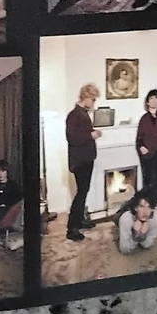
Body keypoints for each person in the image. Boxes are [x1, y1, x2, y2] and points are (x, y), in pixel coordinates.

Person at [66, 83, 101, 241]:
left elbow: (82, 133)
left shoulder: (83, 113)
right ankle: (71, 228)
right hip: (80, 161)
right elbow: (72, 138)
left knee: (83, 191)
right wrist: (91, 136)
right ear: (86, 97)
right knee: (80, 194)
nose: (94, 103)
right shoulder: (74, 115)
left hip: (87, 159)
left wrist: (93, 133)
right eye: (93, 99)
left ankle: (79, 220)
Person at [117, 190, 157, 255]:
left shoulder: (156, 217)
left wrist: (142, 235)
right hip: (123, 213)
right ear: (136, 208)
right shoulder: (126, 219)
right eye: (141, 206)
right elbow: (125, 249)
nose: (145, 211)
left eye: (149, 207)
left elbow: (148, 245)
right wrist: (135, 233)